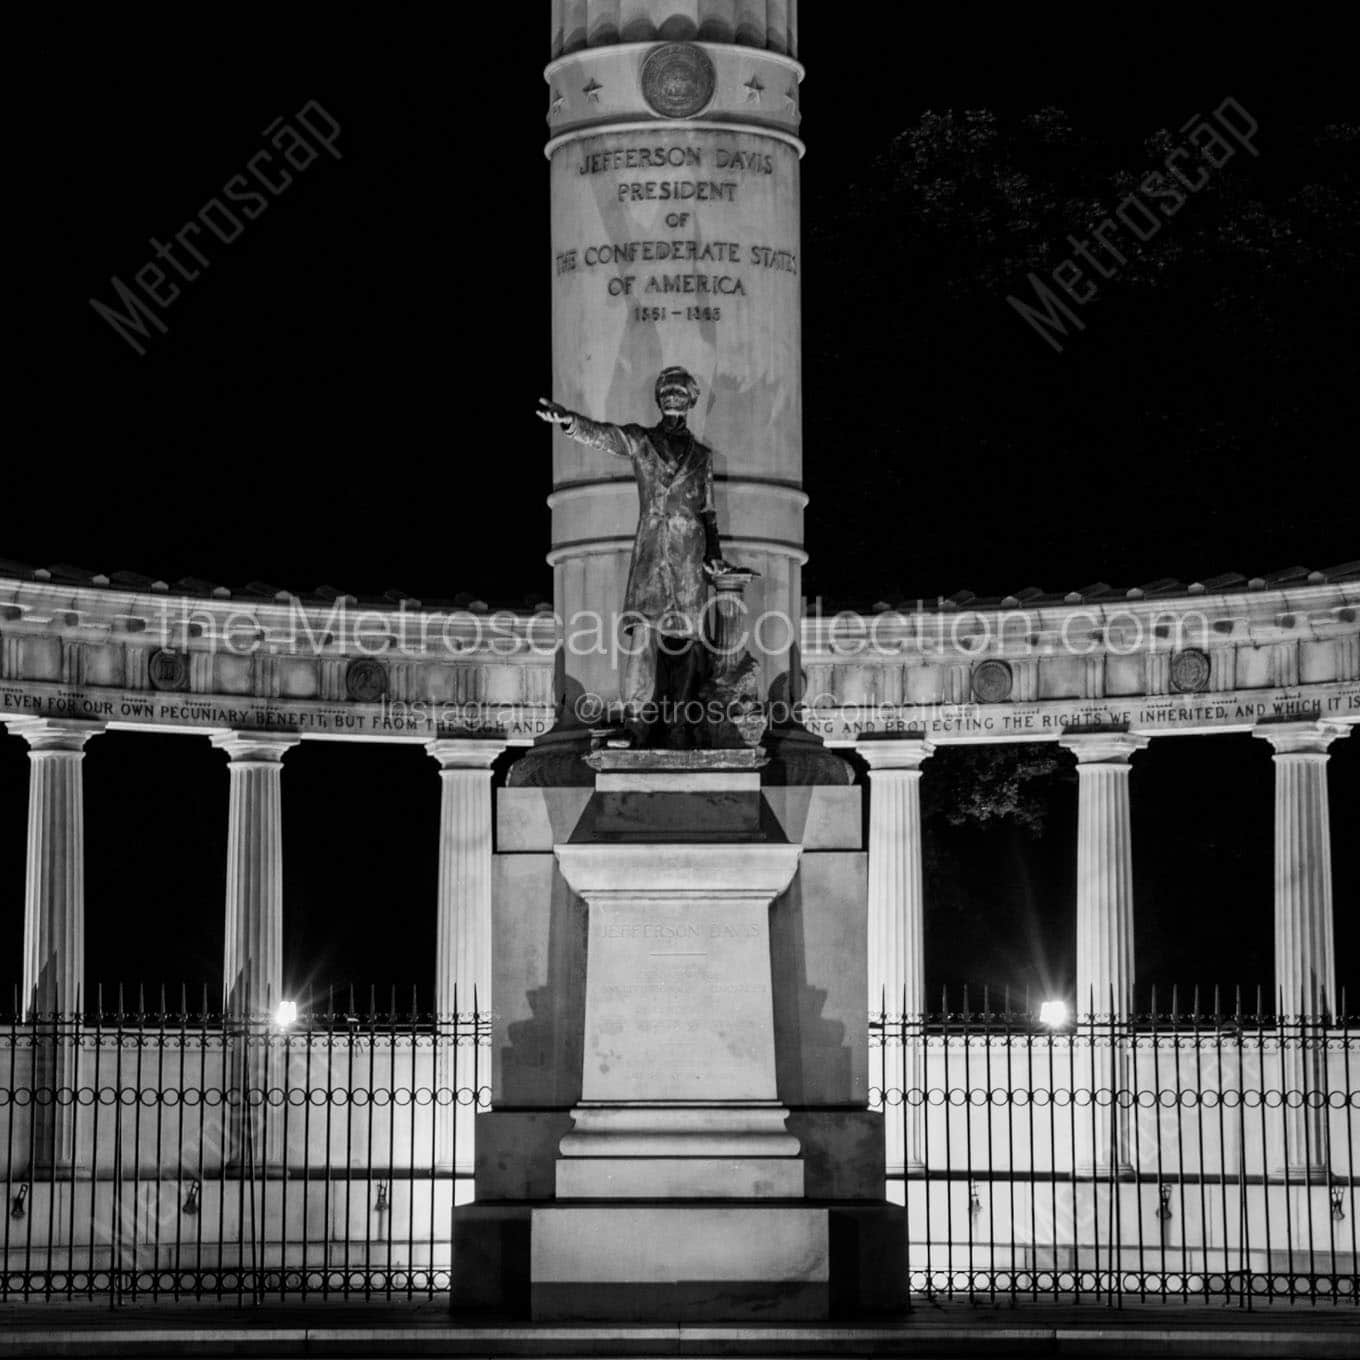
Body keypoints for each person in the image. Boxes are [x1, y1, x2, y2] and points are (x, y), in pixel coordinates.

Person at [536, 366, 735, 745]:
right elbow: (606, 436)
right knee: (644, 638)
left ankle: (680, 725)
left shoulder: (703, 456)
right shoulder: (641, 440)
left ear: (691, 401)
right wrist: (569, 422)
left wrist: (714, 554)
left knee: (688, 646)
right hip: (652, 553)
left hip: (689, 559)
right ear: (659, 399)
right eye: (667, 391)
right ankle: (638, 723)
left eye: (680, 392)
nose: (673, 397)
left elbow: (708, 511)